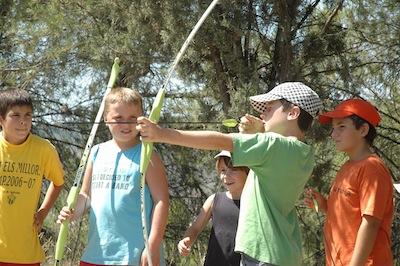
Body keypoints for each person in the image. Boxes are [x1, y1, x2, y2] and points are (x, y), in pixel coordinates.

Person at [137, 82, 323, 265]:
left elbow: (221, 141)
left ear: (293, 113)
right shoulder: (305, 153)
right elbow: (274, 160)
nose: (262, 113)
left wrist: (161, 134)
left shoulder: (272, 145)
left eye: (269, 108)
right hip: (285, 253)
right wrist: (258, 134)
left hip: (263, 255)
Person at [57, 87, 169, 266]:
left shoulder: (148, 154)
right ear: (105, 119)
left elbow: (161, 200)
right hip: (96, 254)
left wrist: (152, 246)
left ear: (142, 119)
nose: (126, 125)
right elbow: (86, 196)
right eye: (118, 118)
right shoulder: (96, 152)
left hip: (133, 256)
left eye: (133, 119)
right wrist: (71, 212)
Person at [304, 98, 394, 266]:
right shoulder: (347, 166)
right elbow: (349, 214)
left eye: (341, 126)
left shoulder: (372, 168)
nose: (333, 134)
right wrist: (324, 205)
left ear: (363, 130)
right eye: (333, 128)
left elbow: (370, 223)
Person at [0, 88, 65, 265]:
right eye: (16, 115)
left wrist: (43, 213)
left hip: (26, 252)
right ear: (1, 119)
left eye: (28, 115)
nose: (23, 121)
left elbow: (58, 182)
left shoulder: (44, 149)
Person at [178, 150, 249, 266]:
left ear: (248, 171)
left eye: (233, 170)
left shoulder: (255, 204)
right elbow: (195, 228)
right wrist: (186, 240)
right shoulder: (214, 200)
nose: (226, 176)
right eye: (223, 170)